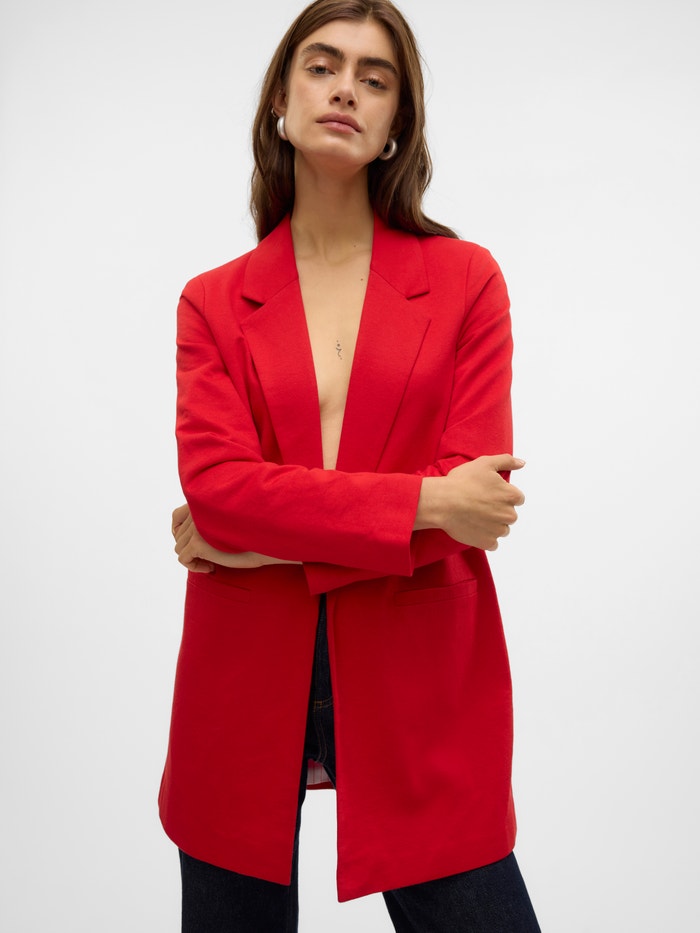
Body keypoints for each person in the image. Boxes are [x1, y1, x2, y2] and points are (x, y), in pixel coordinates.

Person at [160, 0, 540, 929]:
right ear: (280, 102)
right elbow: (218, 490)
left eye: (376, 79)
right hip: (239, 683)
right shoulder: (212, 303)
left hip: (422, 684)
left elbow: (475, 507)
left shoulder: (467, 281)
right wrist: (422, 502)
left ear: (396, 123)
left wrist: (246, 539)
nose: (346, 90)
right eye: (323, 66)